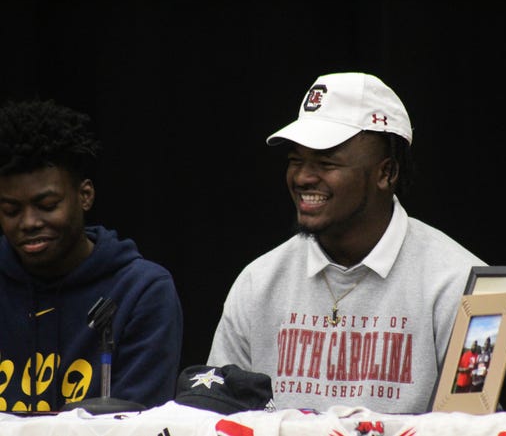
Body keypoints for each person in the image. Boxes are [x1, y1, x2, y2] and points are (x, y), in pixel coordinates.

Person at [206, 72, 486, 413]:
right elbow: (217, 420)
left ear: (387, 173)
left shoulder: (460, 282)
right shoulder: (258, 282)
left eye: (326, 162)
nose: (303, 177)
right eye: (296, 160)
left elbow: (478, 426)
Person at [0, 99, 183, 412]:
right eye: (10, 210)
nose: (29, 223)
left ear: (85, 196)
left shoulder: (141, 291)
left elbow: (138, 426)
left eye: (47, 206)